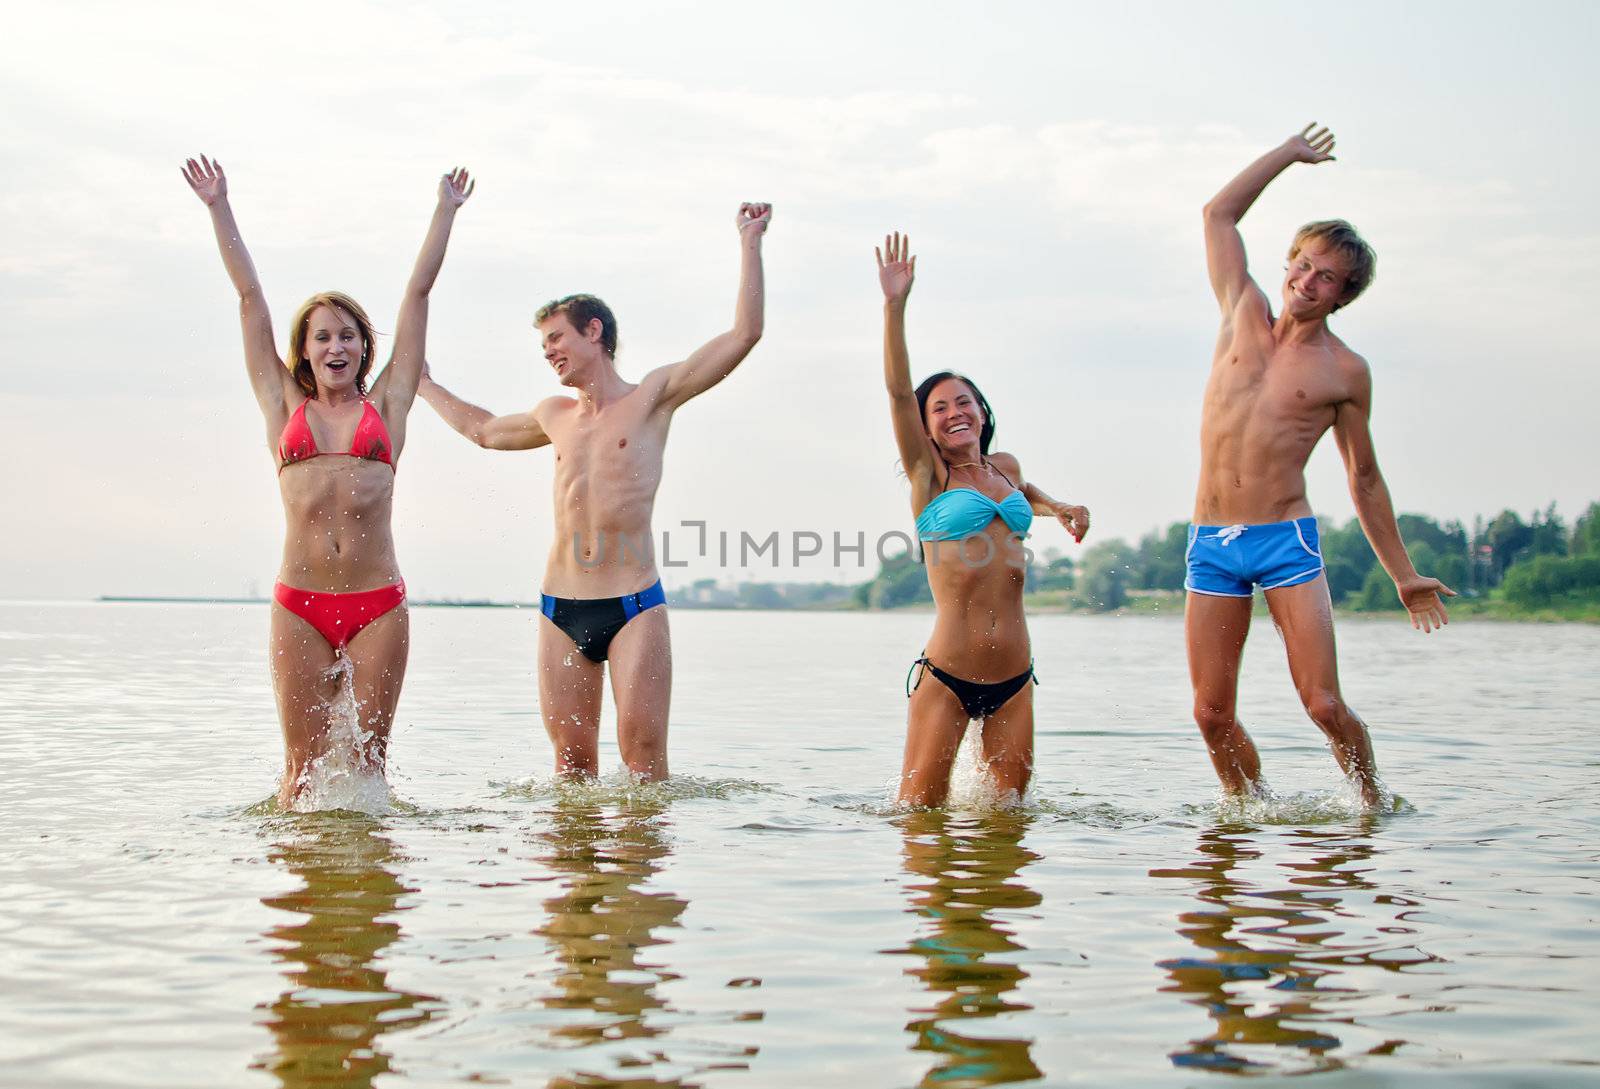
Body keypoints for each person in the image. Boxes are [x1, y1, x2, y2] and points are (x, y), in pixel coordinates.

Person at [419, 203, 772, 782]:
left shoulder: (653, 397)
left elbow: (744, 335)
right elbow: (482, 430)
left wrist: (749, 242)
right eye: (543, 346)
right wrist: (425, 386)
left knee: (644, 768)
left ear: (594, 331)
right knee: (571, 769)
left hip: (634, 603)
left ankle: (637, 872)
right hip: (560, 606)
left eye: (556, 338)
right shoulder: (553, 413)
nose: (549, 351)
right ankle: (576, 875)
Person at [181, 155, 473, 807]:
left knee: (368, 769)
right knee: (301, 774)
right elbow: (250, 300)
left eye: (348, 335)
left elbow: (417, 296)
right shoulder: (285, 408)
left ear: (364, 349)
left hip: (378, 606)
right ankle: (304, 898)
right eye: (322, 337)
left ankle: (368, 894)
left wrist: (445, 211)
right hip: (300, 606)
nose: (336, 346)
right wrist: (218, 206)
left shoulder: (389, 406)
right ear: (305, 350)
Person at [1189, 124, 1454, 808]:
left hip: (1287, 543)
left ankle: (1371, 804)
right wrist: (1288, 154)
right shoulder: (1239, 310)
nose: (1306, 281)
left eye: (1326, 275)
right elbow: (1218, 213)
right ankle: (1245, 813)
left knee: (1324, 704)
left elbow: (1363, 478)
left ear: (1343, 293)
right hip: (1211, 542)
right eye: (1302, 264)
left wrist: (1403, 574)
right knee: (1210, 714)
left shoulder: (1345, 371)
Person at [876, 232, 1090, 807]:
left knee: (1009, 829)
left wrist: (1061, 508)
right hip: (947, 675)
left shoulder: (1005, 467)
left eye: (963, 401)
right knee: (920, 822)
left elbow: (1024, 493)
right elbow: (898, 391)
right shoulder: (930, 478)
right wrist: (894, 307)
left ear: (981, 410)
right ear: (924, 428)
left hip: (1016, 680)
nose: (954, 413)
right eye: (939, 407)